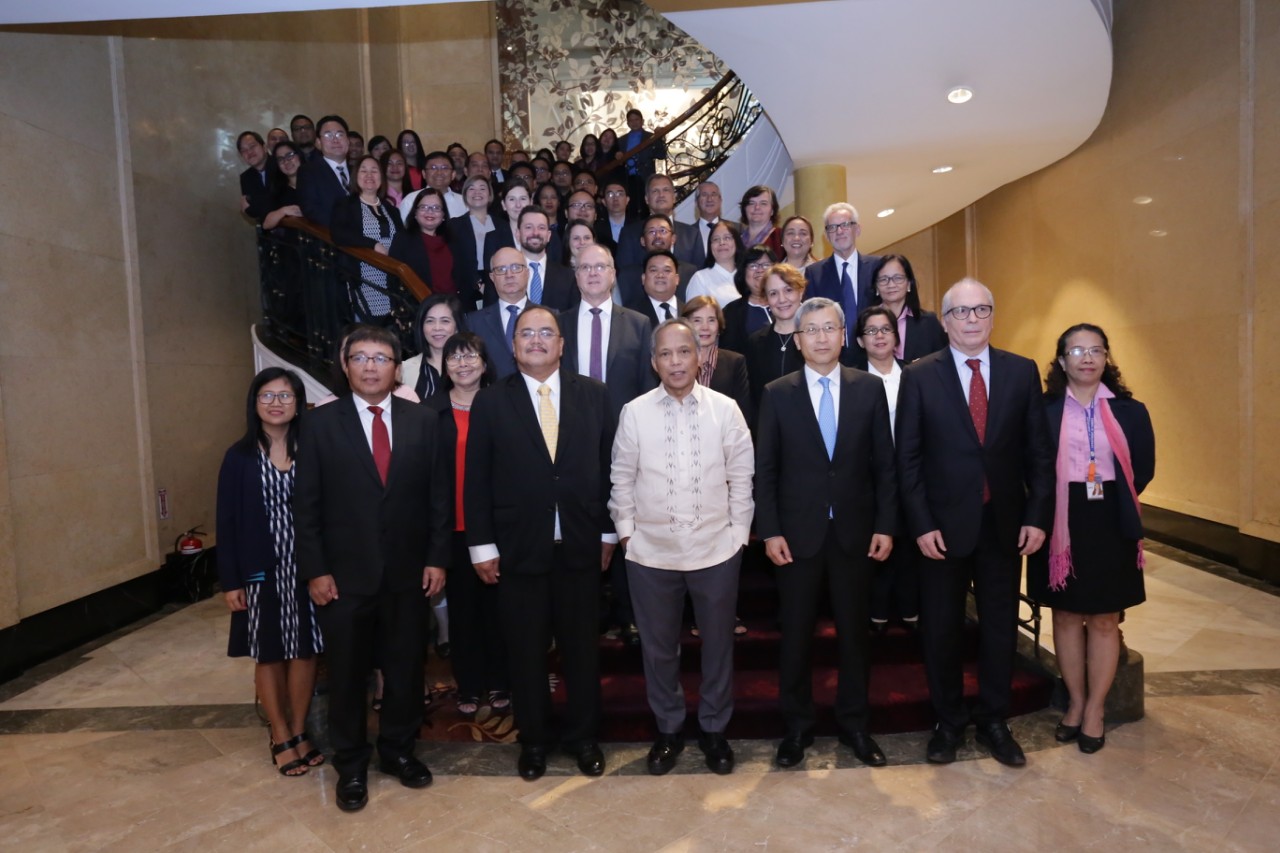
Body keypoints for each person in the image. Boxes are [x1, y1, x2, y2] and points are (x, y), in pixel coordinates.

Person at [895, 278, 1055, 768]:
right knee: (941, 628)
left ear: (992, 316)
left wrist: (1037, 517)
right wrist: (920, 524)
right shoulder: (920, 375)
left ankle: (993, 719)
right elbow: (909, 459)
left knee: (1000, 629)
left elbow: (1039, 456)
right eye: (960, 312)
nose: (971, 320)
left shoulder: (1021, 371)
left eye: (980, 310)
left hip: (1004, 526)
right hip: (941, 531)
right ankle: (948, 722)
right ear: (944, 322)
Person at [294, 325, 451, 812]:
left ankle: (399, 752)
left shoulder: (423, 421)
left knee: (405, 670)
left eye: (380, 358)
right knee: (347, 676)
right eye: (359, 358)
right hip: (343, 579)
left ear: (395, 368)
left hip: (408, 575)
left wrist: (437, 558)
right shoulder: (320, 423)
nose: (369, 366)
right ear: (345, 367)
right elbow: (307, 506)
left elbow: (439, 499)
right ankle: (352, 765)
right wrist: (316, 570)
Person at [464, 305, 618, 782]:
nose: (535, 340)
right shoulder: (490, 402)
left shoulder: (594, 395)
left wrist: (608, 531)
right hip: (517, 549)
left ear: (561, 343)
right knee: (526, 652)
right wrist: (481, 547)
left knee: (580, 650)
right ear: (512, 346)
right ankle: (534, 742)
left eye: (545, 333)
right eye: (525, 333)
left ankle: (583, 738)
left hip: (580, 544)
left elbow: (612, 468)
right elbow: (477, 479)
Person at [755, 297, 897, 769]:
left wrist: (885, 525)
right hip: (796, 537)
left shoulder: (868, 389)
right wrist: (770, 531)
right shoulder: (777, 393)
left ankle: (855, 724)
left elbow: (885, 466)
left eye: (829, 328)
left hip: (856, 534)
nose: (820, 338)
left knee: (855, 635)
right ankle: (797, 728)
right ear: (797, 341)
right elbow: (766, 470)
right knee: (795, 635)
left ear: (843, 336)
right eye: (810, 330)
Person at [610, 318, 754, 776]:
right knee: (658, 649)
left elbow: (741, 477)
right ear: (654, 363)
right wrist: (628, 532)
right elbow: (621, 478)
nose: (676, 361)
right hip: (650, 553)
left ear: (699, 357)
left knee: (717, 646)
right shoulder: (634, 412)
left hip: (717, 549)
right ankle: (669, 729)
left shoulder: (726, 409)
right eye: (666, 354)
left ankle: (714, 730)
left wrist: (737, 536)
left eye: (684, 352)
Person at [1027, 324, 1155, 755]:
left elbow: (1144, 468)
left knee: (1103, 617)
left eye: (1095, 350)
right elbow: (1030, 468)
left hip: (1110, 519)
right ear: (1061, 360)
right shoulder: (1042, 411)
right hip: (1058, 517)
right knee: (1065, 614)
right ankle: (1075, 704)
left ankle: (1096, 709)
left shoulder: (1130, 411)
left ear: (1106, 358)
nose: (1086, 357)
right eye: (1076, 350)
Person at [217, 368, 323, 778]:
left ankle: (300, 730)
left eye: (285, 395)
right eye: (267, 395)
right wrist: (231, 581)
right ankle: (279, 733)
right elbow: (225, 522)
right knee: (269, 651)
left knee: (304, 648)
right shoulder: (239, 456)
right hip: (260, 571)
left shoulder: (312, 448)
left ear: (298, 403)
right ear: (254, 403)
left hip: (308, 568)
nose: (276, 403)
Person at [423, 331, 510, 718]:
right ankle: (470, 684)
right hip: (451, 526)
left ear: (485, 362)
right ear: (444, 367)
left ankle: (499, 680)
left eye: (470, 356)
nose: (462, 363)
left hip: (497, 526)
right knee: (462, 612)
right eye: (454, 358)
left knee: (498, 610)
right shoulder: (430, 412)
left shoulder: (504, 405)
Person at [855, 306, 919, 635]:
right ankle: (877, 608)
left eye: (885, 330)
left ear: (896, 337)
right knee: (875, 540)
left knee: (908, 540)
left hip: (910, 470)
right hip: (867, 474)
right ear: (859, 340)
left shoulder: (916, 374)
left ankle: (910, 606)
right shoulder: (850, 378)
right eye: (871, 331)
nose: (879, 336)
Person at [329, 155, 404, 321]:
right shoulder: (346, 205)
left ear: (381, 178)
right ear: (356, 176)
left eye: (374, 171)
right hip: (362, 280)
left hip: (391, 280)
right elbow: (339, 233)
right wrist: (373, 244)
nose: (369, 175)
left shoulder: (391, 210)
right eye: (363, 171)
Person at [803, 203, 881, 348]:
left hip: (873, 354)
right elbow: (810, 318)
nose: (839, 231)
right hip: (833, 355)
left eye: (845, 225)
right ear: (826, 236)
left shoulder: (877, 267)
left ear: (857, 230)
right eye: (832, 227)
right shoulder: (814, 273)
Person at [744, 263, 806, 411]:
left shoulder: (815, 337)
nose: (782, 299)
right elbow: (753, 397)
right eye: (773, 293)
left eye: (788, 290)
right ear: (766, 299)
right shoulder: (755, 342)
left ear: (801, 292)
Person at [464, 246, 533, 377]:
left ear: (527, 273)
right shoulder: (474, 322)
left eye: (516, 267)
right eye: (501, 270)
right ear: (492, 277)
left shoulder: (549, 317)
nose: (509, 275)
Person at [682, 296, 751, 424]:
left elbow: (742, 414)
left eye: (711, 320)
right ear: (686, 326)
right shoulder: (677, 363)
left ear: (719, 326)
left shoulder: (735, 362)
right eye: (697, 320)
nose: (705, 327)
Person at [868, 254, 947, 364]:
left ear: (909, 283)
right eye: (883, 279)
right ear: (876, 286)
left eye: (898, 278)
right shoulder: (866, 323)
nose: (891, 284)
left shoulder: (929, 322)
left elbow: (944, 360)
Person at [399, 294, 465, 401]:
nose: (437, 328)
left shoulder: (471, 365)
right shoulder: (405, 370)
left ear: (457, 326)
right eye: (430, 321)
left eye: (445, 321)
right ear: (421, 327)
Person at [296, 114, 352, 227]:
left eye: (340, 134)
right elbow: (311, 210)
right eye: (328, 135)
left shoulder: (360, 170)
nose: (335, 140)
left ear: (348, 141)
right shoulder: (308, 172)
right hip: (330, 239)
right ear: (318, 143)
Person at [450, 175, 497, 309]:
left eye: (482, 188)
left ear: (489, 195)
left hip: (496, 284)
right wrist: (477, 284)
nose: (477, 192)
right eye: (471, 189)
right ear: (465, 195)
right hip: (465, 287)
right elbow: (455, 262)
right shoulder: (454, 226)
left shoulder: (501, 225)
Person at [719, 245, 775, 353]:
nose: (759, 270)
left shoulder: (786, 305)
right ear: (743, 272)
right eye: (753, 266)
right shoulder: (731, 312)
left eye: (766, 265)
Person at [619, 108, 667, 214]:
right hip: (628, 179)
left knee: (647, 207)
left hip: (645, 177)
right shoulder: (621, 140)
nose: (634, 122)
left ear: (642, 121)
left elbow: (661, 155)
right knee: (630, 209)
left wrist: (659, 138)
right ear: (627, 123)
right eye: (631, 120)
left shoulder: (650, 137)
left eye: (637, 119)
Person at [686, 220, 743, 307]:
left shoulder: (747, 275)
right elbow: (693, 316)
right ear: (710, 246)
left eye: (727, 238)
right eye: (716, 239)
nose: (722, 243)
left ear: (736, 242)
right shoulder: (700, 278)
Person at [625, 249, 684, 328]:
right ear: (643, 278)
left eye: (667, 270)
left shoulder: (689, 312)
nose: (660, 275)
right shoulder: (629, 314)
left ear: (677, 279)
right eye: (653, 270)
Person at [261, 141, 303, 231]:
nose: (286, 161)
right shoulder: (278, 189)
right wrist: (283, 211)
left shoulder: (316, 181)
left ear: (299, 155)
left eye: (290, 155)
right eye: (280, 159)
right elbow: (266, 224)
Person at [680, 181, 722, 267]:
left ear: (720, 200)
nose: (709, 199)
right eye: (704, 195)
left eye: (713, 194)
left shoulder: (736, 229)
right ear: (696, 202)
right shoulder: (685, 234)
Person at [737, 185, 784, 259]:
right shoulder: (735, 239)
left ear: (772, 210)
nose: (757, 207)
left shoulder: (782, 237)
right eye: (751, 203)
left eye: (763, 203)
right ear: (744, 209)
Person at [237, 131, 274, 222]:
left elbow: (281, 201)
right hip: (267, 232)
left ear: (264, 147)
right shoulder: (246, 177)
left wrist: (257, 203)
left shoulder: (281, 165)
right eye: (244, 150)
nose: (249, 152)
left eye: (252, 146)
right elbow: (250, 211)